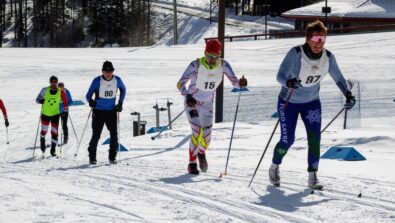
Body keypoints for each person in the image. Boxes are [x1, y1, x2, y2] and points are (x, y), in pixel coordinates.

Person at [268, 20, 356, 189]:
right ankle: (274, 166)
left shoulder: (328, 57)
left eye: (323, 39)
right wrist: (289, 82)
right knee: (287, 140)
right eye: (316, 38)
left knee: (315, 139)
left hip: (311, 103)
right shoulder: (296, 54)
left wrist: (348, 94)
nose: (319, 43)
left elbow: (338, 77)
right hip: (288, 102)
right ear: (308, 38)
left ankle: (312, 176)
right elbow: (279, 76)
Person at [177, 39, 248, 175]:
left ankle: (201, 153)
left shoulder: (223, 65)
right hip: (192, 102)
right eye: (209, 56)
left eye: (215, 56)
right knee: (197, 131)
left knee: (207, 138)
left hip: (208, 104)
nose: (212, 59)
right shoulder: (196, 64)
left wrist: (241, 83)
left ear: (219, 55)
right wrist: (187, 96)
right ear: (205, 53)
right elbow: (180, 83)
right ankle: (191, 164)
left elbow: (235, 83)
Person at [86, 61, 126, 165]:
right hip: (98, 111)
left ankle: (112, 157)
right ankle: (92, 157)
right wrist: (91, 101)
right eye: (106, 71)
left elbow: (123, 90)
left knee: (114, 135)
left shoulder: (117, 80)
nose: (108, 73)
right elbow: (88, 95)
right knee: (96, 135)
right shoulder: (96, 81)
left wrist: (120, 103)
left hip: (111, 111)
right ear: (102, 71)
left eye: (110, 71)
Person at [36, 76, 69, 156]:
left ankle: (53, 150)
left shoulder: (61, 92)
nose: (54, 83)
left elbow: (65, 102)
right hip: (45, 114)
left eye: (55, 82)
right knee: (44, 131)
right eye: (52, 82)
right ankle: (42, 139)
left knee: (54, 132)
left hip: (55, 114)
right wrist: (40, 100)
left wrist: (64, 111)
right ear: (50, 82)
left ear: (57, 83)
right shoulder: (44, 90)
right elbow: (37, 99)